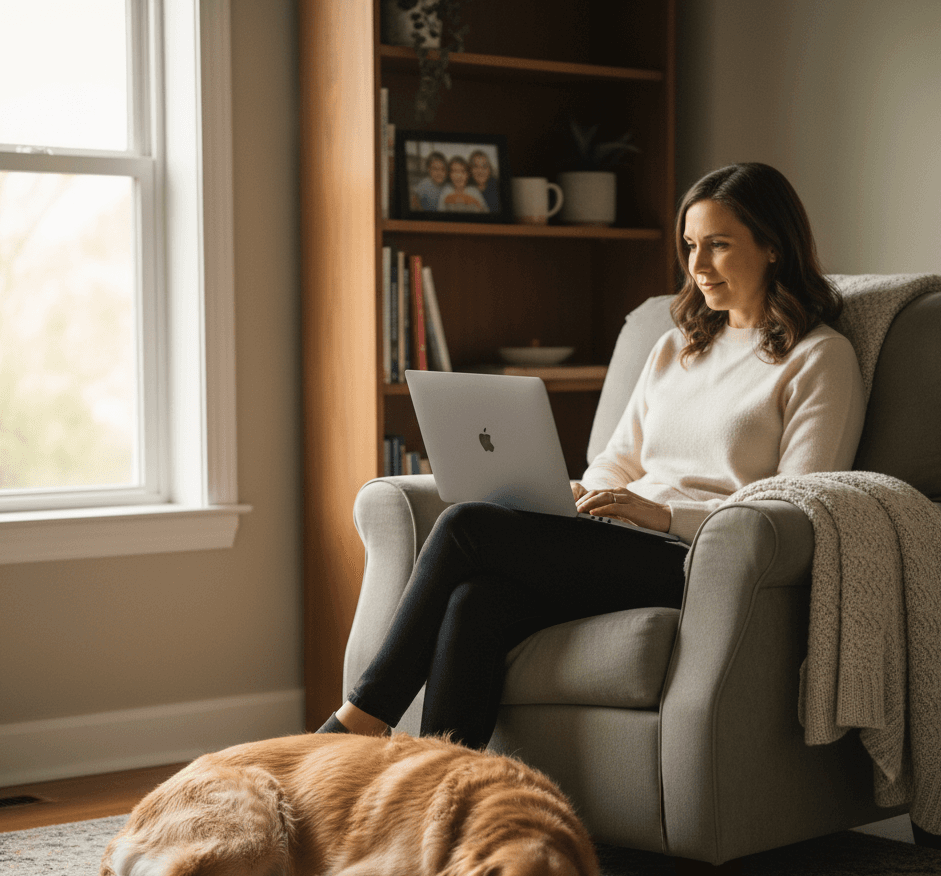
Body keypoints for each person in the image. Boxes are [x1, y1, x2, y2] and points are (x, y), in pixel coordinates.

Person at [317, 162, 866, 748]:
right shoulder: (677, 347)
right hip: (623, 539)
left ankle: (355, 723)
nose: (697, 267)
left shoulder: (819, 359)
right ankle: (445, 796)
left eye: (718, 246)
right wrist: (585, 492)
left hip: (699, 558)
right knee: (477, 601)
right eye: (689, 246)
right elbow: (618, 457)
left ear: (773, 247)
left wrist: (665, 517)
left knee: (466, 527)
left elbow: (800, 508)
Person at [469, 149, 501, 213]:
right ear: (470, 170)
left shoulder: (498, 187)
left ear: (490, 169)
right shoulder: (466, 189)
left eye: (484, 166)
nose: (480, 171)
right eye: (475, 166)